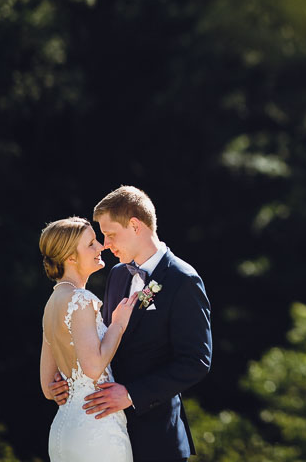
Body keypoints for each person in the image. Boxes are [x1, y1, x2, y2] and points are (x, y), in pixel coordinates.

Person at [87, 185, 212, 461]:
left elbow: (196, 361)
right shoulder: (117, 275)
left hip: (158, 439)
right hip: (109, 434)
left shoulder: (184, 280)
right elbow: (105, 339)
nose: (105, 244)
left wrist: (132, 394)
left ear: (135, 225)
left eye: (110, 234)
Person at [39, 217, 139, 462]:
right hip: (96, 427)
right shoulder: (81, 299)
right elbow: (93, 368)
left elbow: (47, 386)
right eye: (91, 243)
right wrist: (118, 325)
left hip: (63, 430)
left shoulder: (51, 304)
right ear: (71, 258)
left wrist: (59, 389)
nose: (101, 247)